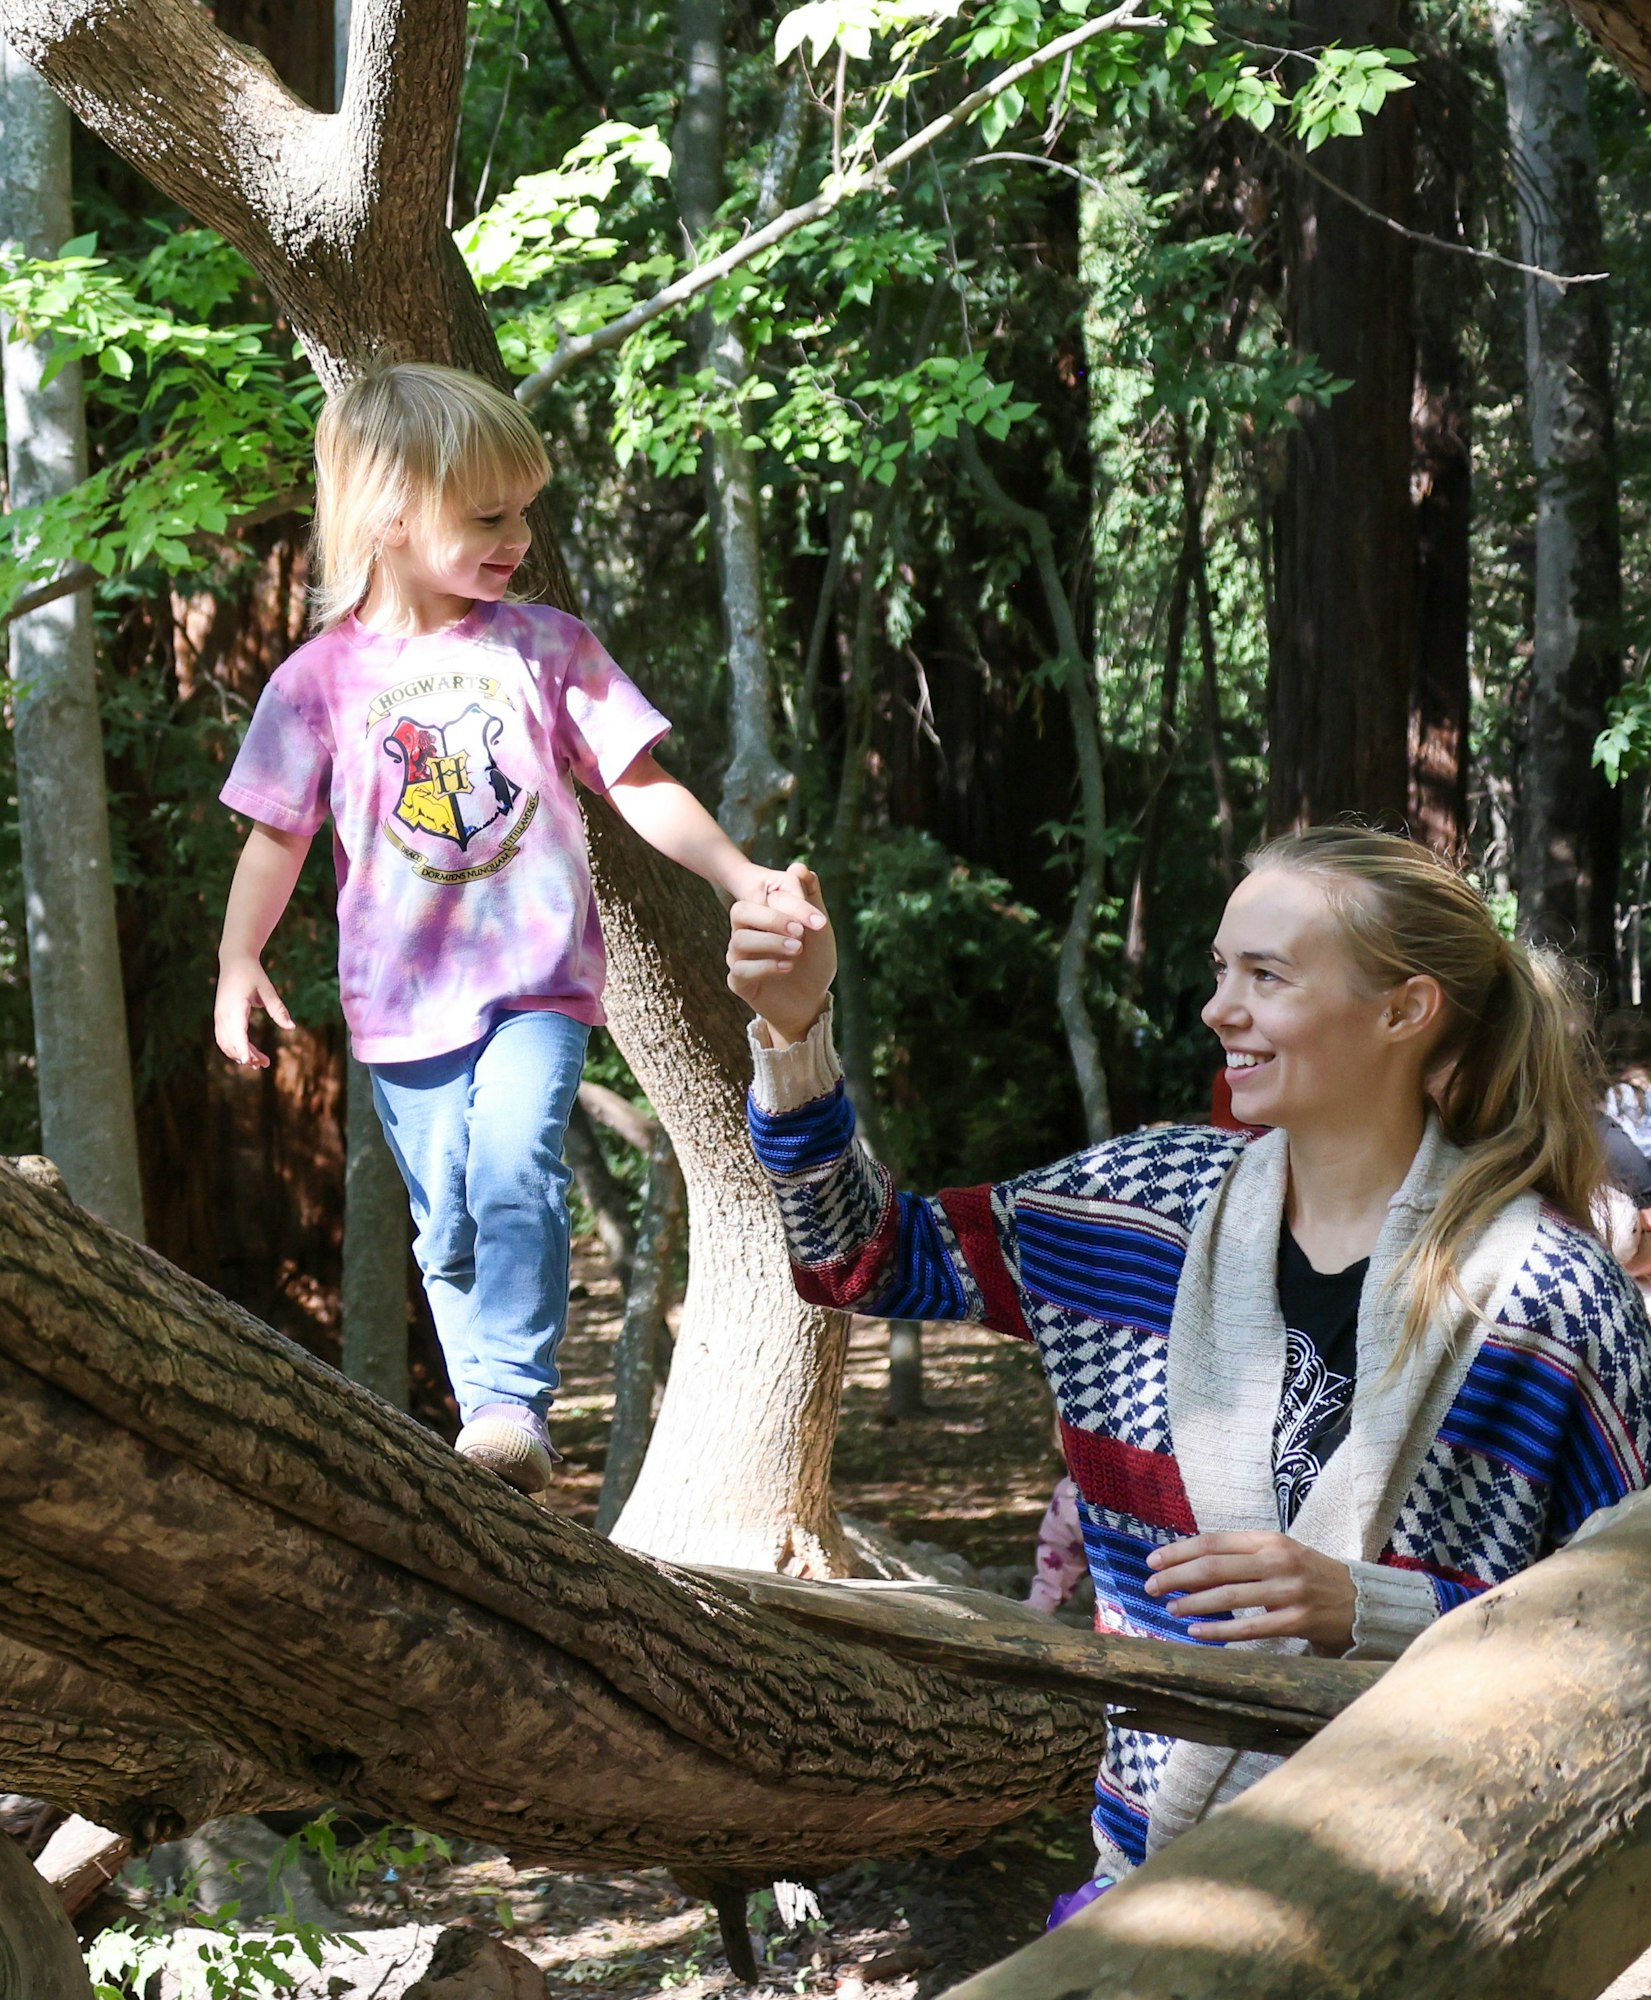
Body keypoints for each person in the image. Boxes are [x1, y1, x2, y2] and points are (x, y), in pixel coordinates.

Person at [727, 827, 1651, 1902]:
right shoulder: (1140, 1207)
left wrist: (1373, 1608)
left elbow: (1620, 1630)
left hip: (1435, 1891)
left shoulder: (1551, 1299)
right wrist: (792, 1031)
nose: (1218, 1008)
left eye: (1266, 975)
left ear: (1404, 1009)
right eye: (1221, 969)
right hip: (1148, 1881)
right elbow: (862, 1255)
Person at [215, 360, 776, 1495]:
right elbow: (275, 835)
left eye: (524, 510)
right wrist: (237, 957)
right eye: (488, 517)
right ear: (390, 515)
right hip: (399, 1005)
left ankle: (514, 1398)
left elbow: (638, 780)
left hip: (537, 980)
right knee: (448, 1224)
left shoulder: (545, 646)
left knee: (516, 1163)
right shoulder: (318, 683)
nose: (518, 537)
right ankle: (492, 1429)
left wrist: (738, 874)